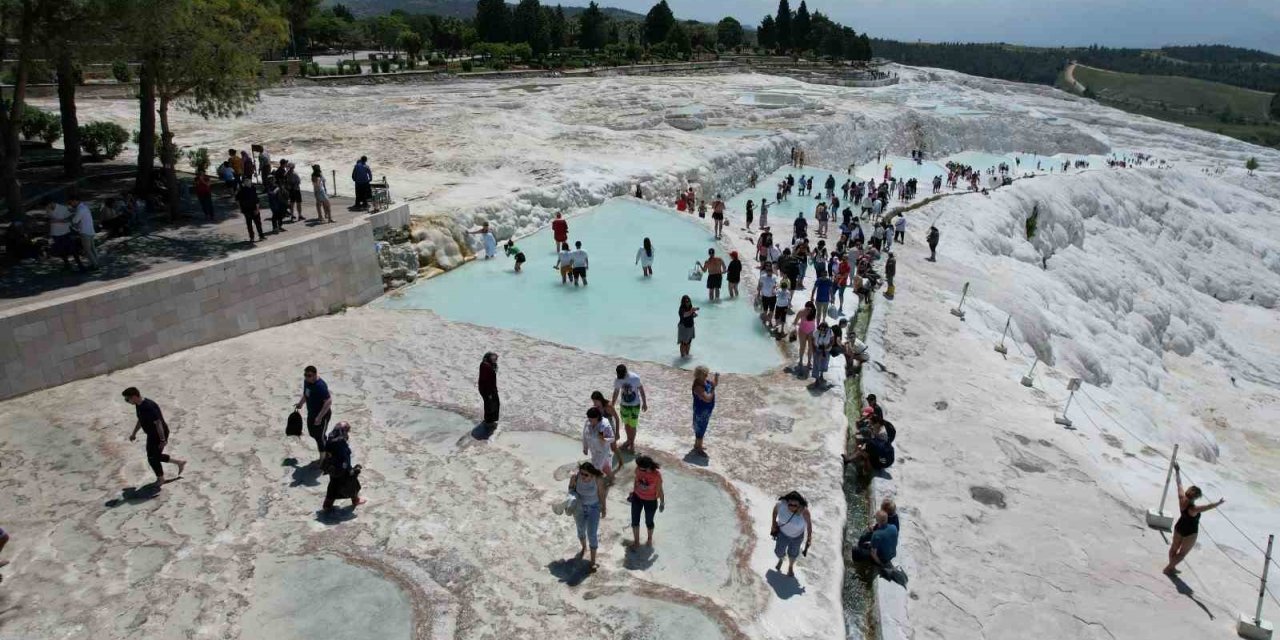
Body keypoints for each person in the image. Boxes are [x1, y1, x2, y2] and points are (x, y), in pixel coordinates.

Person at [1164, 464, 1225, 576]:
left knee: (1173, 548)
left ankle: (1171, 567)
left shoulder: (1182, 498)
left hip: (1179, 527)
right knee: (1182, 554)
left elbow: (1179, 484)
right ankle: (1168, 568)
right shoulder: (1194, 509)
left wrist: (1177, 471)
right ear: (1196, 497)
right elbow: (1207, 507)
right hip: (1190, 533)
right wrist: (1219, 503)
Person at [122, 387, 187, 486]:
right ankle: (179, 462)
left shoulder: (149, 406)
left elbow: (158, 423)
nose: (127, 401)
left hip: (159, 434)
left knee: (152, 458)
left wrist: (162, 440)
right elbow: (140, 420)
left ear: (134, 397)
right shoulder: (138, 405)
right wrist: (134, 433)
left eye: (127, 399)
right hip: (152, 434)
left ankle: (161, 479)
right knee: (154, 456)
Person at [569, 462, 607, 571]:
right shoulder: (575, 478)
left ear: (592, 474)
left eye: (586, 475)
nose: (583, 476)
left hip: (593, 508)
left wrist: (604, 508)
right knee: (580, 530)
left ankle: (593, 561)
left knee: (592, 534)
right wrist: (570, 498)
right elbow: (570, 490)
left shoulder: (597, 480)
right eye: (581, 473)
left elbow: (602, 494)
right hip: (579, 508)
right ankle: (584, 547)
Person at [321, 422, 366, 513]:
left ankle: (327, 505)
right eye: (347, 431)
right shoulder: (340, 443)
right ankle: (355, 501)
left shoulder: (330, 439)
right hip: (342, 470)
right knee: (353, 484)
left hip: (333, 470)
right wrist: (351, 470)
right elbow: (344, 458)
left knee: (333, 487)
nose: (347, 433)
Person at [770, 491, 813, 577]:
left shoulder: (804, 511)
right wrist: (774, 524)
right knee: (779, 552)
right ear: (787, 503)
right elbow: (775, 511)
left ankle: (790, 567)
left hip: (797, 536)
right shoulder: (781, 505)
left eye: (795, 505)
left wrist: (809, 538)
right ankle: (781, 560)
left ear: (799, 505)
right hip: (782, 533)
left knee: (793, 553)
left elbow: (809, 525)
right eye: (790, 504)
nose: (792, 507)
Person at [294, 366, 333, 459]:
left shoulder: (320, 386)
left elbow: (329, 401)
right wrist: (300, 403)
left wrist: (319, 417)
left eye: (309, 375)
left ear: (315, 375)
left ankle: (323, 459)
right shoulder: (307, 382)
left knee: (319, 437)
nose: (307, 377)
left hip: (323, 415)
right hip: (312, 413)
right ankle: (326, 447)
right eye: (305, 375)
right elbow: (306, 394)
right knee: (313, 433)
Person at [630, 456, 665, 547]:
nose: (641, 471)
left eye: (644, 470)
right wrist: (633, 492)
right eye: (640, 469)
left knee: (649, 522)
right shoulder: (638, 469)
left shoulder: (657, 475)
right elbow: (636, 480)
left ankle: (649, 539)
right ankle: (636, 542)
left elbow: (660, 490)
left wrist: (662, 503)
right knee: (634, 521)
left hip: (651, 501)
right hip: (637, 497)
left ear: (649, 467)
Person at [612, 365, 647, 452]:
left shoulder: (635, 378)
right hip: (624, 405)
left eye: (622, 375)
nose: (620, 377)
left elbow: (641, 390)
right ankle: (628, 441)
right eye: (619, 375)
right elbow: (616, 391)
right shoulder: (618, 379)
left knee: (633, 425)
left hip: (635, 405)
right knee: (626, 424)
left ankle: (632, 444)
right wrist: (612, 404)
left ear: (626, 371)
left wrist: (645, 403)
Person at [46, 199, 84, 271]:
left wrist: (61, 221)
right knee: (61, 250)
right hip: (55, 233)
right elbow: (49, 219)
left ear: (51, 203)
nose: (47, 207)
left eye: (48, 205)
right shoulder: (48, 209)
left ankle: (80, 265)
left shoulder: (63, 208)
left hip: (65, 232)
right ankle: (67, 265)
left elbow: (71, 216)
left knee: (72, 249)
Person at [581, 406, 617, 481]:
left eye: (591, 418)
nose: (589, 420)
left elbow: (612, 438)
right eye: (588, 418)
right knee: (606, 468)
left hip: (603, 452)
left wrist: (603, 439)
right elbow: (584, 434)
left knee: (596, 470)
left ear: (597, 417)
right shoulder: (588, 422)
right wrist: (585, 447)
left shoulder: (604, 425)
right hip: (593, 451)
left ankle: (597, 486)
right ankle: (613, 480)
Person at [691, 366, 718, 456]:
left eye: (707, 373)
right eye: (704, 374)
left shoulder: (705, 381)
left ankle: (698, 445)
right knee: (700, 429)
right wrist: (713, 390)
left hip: (706, 411)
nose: (707, 375)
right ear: (699, 376)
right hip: (701, 411)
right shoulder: (698, 387)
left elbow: (714, 384)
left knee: (702, 428)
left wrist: (716, 378)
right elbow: (707, 399)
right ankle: (698, 449)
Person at [792, 304, 817, 370]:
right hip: (805, 331)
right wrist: (795, 327)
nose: (808, 309)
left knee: (809, 347)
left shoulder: (811, 312)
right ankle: (802, 361)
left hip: (809, 331)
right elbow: (796, 321)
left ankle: (807, 362)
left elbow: (796, 322)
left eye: (809, 308)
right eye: (807, 308)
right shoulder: (802, 312)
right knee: (804, 347)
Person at [478, 352, 500, 427]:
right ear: (489, 357)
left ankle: (491, 421)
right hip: (487, 389)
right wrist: (489, 393)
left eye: (496, 358)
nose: (495, 359)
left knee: (494, 403)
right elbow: (485, 380)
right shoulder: (485, 365)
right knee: (490, 405)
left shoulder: (489, 364)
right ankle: (489, 422)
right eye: (493, 357)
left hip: (491, 389)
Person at [758, 264, 778, 329]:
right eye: (768, 271)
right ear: (766, 271)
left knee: (771, 311)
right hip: (765, 297)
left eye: (770, 271)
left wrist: (775, 289)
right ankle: (764, 321)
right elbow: (760, 285)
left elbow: (776, 285)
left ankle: (769, 322)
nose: (769, 272)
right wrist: (758, 293)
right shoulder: (762, 277)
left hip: (772, 297)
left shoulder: (775, 277)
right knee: (765, 310)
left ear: (772, 271)